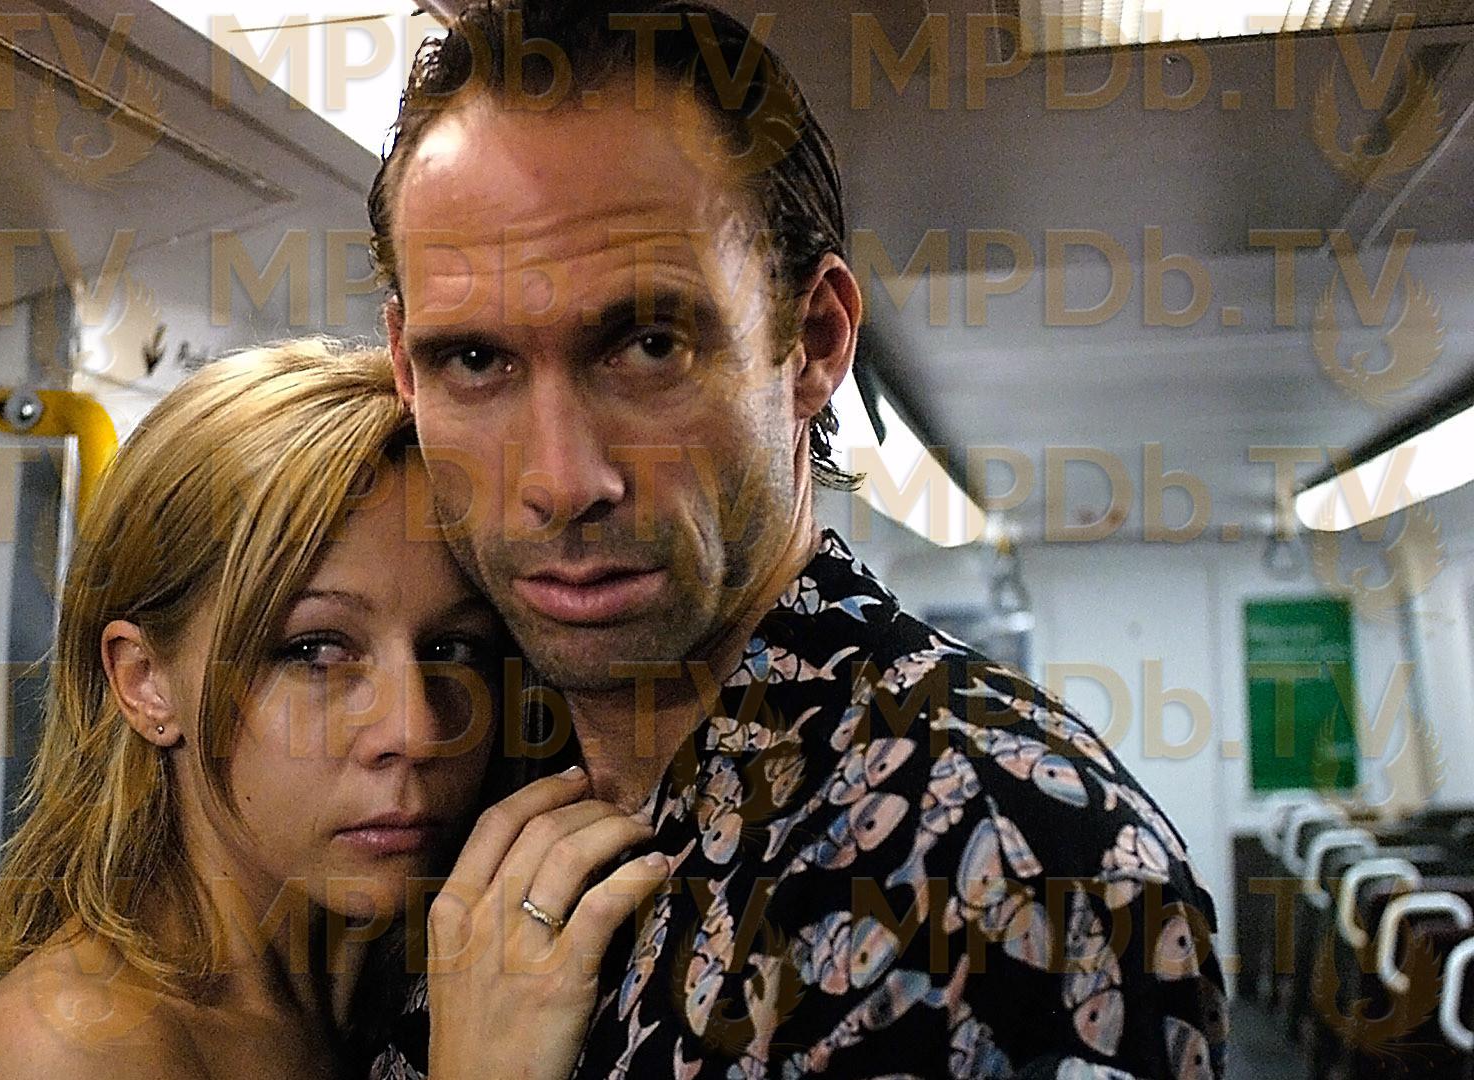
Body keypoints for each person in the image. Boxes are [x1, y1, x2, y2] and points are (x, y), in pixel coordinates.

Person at [366, 2, 1228, 1077]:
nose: (560, 482)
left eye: (648, 345)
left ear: (813, 342)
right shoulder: (448, 779)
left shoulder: (996, 862)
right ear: (405, 369)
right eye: (475, 362)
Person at [0, 339, 669, 1080]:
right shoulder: (62, 1049)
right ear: (145, 681)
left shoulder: (422, 984)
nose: (416, 731)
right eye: (315, 651)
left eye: (454, 649)